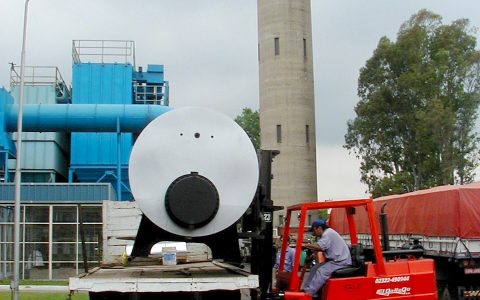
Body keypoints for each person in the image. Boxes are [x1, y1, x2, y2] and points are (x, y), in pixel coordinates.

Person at [302, 220, 351, 297]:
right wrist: (312, 254)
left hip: (340, 261)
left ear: (319, 228)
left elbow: (319, 246)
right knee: (314, 268)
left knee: (322, 271)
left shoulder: (327, 234)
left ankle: (308, 295)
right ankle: (306, 290)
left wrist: (304, 245)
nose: (314, 233)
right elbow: (321, 248)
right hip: (335, 260)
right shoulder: (326, 234)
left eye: (314, 230)